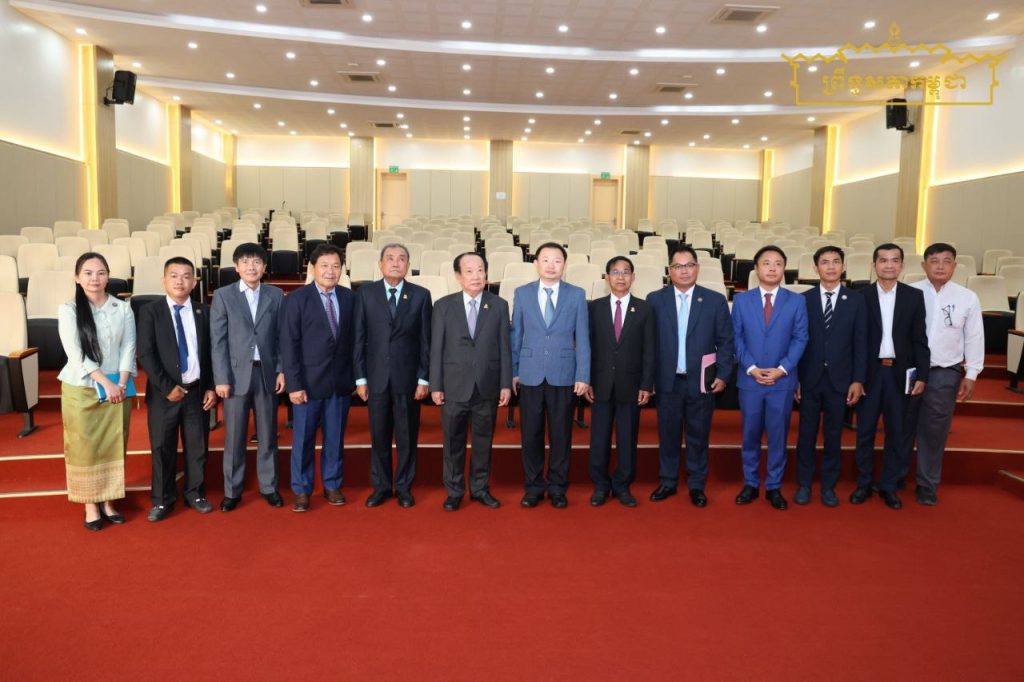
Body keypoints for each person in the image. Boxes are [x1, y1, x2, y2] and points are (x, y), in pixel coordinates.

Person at [647, 246, 734, 507]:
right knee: (668, 435)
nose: (684, 271)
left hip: (702, 381)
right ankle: (668, 481)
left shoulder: (715, 300)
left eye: (689, 265)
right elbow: (648, 344)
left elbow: (726, 341)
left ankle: (697, 484)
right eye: (678, 266)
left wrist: (723, 374)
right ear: (669, 271)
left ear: (697, 268)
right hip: (667, 381)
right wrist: (648, 379)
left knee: (698, 435)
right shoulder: (655, 299)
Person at [57, 252, 136, 531]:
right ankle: (90, 504)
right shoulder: (68, 310)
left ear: (108, 276)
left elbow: (129, 347)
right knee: (84, 447)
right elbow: (76, 353)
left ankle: (109, 501)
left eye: (101, 272)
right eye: (88, 273)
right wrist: (106, 383)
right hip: (82, 388)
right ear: (77, 278)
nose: (95, 278)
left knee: (114, 443)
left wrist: (121, 383)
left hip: (118, 388)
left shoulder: (122, 307)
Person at [136, 257, 217, 522]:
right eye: (174, 276)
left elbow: (211, 353)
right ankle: (162, 500)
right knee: (162, 448)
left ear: (194, 282)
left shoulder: (204, 311)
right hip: (164, 395)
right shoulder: (150, 311)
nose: (180, 281)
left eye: (186, 276)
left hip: (197, 392)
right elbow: (146, 353)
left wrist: (211, 386)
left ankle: (195, 494)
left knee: (197, 446)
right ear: (164, 280)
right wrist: (167, 386)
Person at [902, 243, 984, 505]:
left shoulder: (967, 297)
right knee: (902, 424)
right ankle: (896, 476)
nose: (940, 266)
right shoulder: (909, 292)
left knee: (935, 430)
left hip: (944, 371)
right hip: (910, 371)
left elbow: (974, 337)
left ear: (955, 266)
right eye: (934, 261)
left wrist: (971, 373)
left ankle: (927, 484)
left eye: (946, 261)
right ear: (923, 265)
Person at [429, 252, 512, 511]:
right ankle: (454, 490)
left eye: (480, 270)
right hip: (453, 386)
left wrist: (505, 383)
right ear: (458, 276)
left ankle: (480, 489)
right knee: (452, 443)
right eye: (469, 271)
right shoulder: (443, 306)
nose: (476, 276)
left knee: (483, 442)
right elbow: (436, 348)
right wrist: (436, 385)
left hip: (487, 385)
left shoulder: (499, 305)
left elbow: (505, 347)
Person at [511, 242, 591, 508]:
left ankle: (557, 487)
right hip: (530, 374)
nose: (551, 265)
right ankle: (533, 487)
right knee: (530, 435)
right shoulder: (522, 293)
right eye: (545, 260)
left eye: (557, 260)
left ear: (564, 265)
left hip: (563, 374)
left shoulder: (576, 295)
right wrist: (514, 370)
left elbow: (583, 337)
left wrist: (583, 374)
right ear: (536, 263)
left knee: (561, 435)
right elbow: (516, 335)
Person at [353, 243, 432, 508]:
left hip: (408, 380)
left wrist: (424, 378)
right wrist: (360, 378)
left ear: (408, 265)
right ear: (380, 264)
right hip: (375, 378)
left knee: (407, 437)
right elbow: (358, 338)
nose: (395, 263)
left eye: (401, 259)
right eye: (390, 258)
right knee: (379, 436)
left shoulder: (421, 295)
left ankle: (404, 487)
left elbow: (426, 341)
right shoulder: (366, 293)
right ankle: (382, 487)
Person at [852, 243, 929, 510]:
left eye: (894, 260)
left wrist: (922, 375)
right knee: (864, 432)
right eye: (883, 260)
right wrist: (856, 377)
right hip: (869, 374)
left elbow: (919, 339)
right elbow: (855, 341)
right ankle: (863, 484)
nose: (889, 265)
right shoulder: (860, 296)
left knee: (897, 434)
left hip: (900, 374)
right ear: (874, 265)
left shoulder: (914, 296)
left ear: (902, 266)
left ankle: (889, 486)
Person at [210, 243, 286, 512]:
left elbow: (281, 337)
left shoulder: (276, 295)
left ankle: (269, 487)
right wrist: (221, 378)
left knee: (268, 435)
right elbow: (218, 341)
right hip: (234, 376)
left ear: (264, 267)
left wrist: (281, 369)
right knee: (234, 437)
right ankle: (232, 491)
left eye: (256, 262)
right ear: (236, 266)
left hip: (266, 374)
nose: (251, 267)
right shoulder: (223, 295)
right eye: (245, 262)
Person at [732, 245, 808, 510]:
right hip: (750, 380)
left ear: (784, 269)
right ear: (756, 268)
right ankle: (750, 483)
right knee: (750, 435)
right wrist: (751, 368)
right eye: (766, 263)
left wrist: (783, 368)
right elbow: (736, 338)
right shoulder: (741, 300)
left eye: (778, 263)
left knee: (778, 436)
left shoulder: (796, 301)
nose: (772, 268)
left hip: (782, 381)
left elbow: (801, 338)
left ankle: (774, 486)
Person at [280, 244, 355, 512]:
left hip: (339, 383)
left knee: (335, 439)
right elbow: (288, 344)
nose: (330, 271)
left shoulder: (350, 298)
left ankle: (332, 485)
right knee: (303, 440)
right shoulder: (296, 299)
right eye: (324, 265)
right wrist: (294, 384)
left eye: (336, 266)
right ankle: (302, 490)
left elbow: (355, 341)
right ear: (312, 268)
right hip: (307, 385)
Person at [794, 246, 867, 507]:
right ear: (816, 268)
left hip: (841, 380)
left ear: (843, 266)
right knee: (806, 435)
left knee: (834, 437)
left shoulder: (856, 300)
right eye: (825, 262)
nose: (831, 266)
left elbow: (861, 342)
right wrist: (796, 378)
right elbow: (796, 342)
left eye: (836, 261)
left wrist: (858, 379)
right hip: (809, 379)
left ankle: (828, 486)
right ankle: (804, 484)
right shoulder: (803, 299)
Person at [585, 256, 655, 508]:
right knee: (599, 439)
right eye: (615, 272)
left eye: (626, 272)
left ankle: (622, 485)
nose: (621, 276)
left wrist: (646, 384)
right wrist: (586, 380)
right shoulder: (593, 308)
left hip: (632, 385)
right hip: (600, 384)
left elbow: (650, 350)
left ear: (633, 277)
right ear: (607, 277)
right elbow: (586, 347)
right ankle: (600, 486)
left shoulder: (645, 308)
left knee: (627, 439)